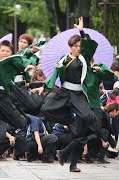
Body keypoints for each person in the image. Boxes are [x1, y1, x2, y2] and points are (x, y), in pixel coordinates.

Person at [32, 17, 99, 172]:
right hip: (65, 93)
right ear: (70, 47)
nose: (78, 48)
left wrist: (81, 31)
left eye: (80, 45)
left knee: (86, 124)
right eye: (76, 46)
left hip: (79, 95)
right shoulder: (64, 59)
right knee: (46, 109)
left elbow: (89, 44)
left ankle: (68, 156)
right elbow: (55, 73)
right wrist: (44, 87)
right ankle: (70, 122)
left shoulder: (85, 57)